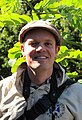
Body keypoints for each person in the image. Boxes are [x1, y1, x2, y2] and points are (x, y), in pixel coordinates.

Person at [0, 20, 82, 120]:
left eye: (47, 44)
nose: (40, 49)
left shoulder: (78, 93)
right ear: (22, 50)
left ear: (57, 50)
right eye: (34, 43)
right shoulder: (3, 90)